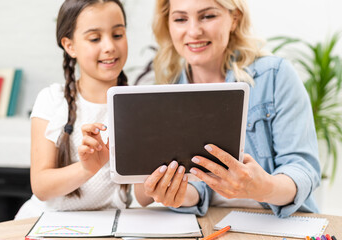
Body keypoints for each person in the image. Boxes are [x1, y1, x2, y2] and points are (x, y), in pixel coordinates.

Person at [134, 0, 321, 218]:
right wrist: (178, 194)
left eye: (207, 16)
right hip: (211, 223)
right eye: (180, 19)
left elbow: (303, 170)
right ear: (168, 25)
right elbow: (196, 187)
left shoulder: (275, 76)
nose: (194, 31)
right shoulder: (166, 92)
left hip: (279, 223)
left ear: (234, 19)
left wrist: (264, 188)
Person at [15, 0, 130, 219]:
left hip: (111, 223)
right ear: (70, 46)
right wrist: (87, 169)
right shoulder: (52, 100)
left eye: (117, 35)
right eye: (95, 38)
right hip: (47, 221)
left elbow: (144, 197)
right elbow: (41, 187)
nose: (110, 47)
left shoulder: (136, 104)